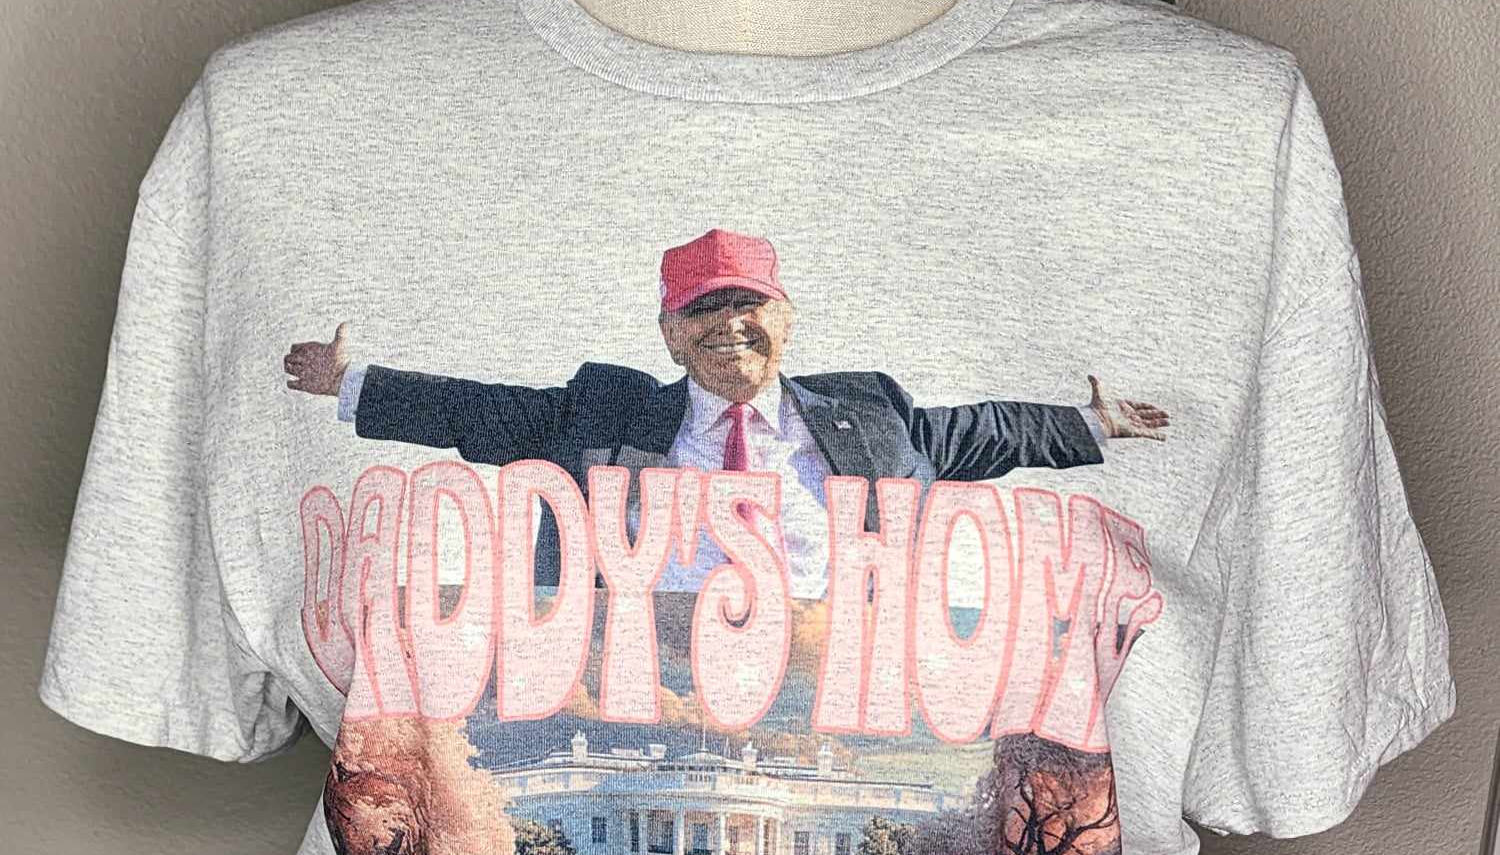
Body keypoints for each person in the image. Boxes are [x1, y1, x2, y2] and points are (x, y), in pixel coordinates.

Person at [282, 226, 1170, 596]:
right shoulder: (606, 416)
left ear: (786, 319)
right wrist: (350, 383)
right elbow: (473, 412)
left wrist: (1090, 423)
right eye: (703, 309)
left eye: (749, 302)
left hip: (828, 680)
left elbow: (980, 433)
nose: (729, 324)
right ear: (671, 335)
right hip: (650, 685)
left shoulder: (870, 413)